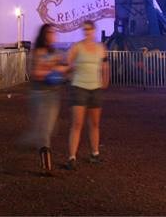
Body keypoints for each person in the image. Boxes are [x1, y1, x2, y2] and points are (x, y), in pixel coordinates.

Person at [23, 24, 68, 175]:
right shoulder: (38, 52)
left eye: (54, 32)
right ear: (44, 34)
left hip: (53, 95)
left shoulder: (55, 52)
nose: (53, 35)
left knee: (49, 129)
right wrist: (54, 71)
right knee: (45, 131)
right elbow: (36, 73)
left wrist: (59, 70)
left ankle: (31, 139)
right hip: (40, 95)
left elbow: (64, 68)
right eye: (50, 32)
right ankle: (46, 167)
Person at [64, 20, 109, 169]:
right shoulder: (77, 47)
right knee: (77, 123)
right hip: (79, 88)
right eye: (85, 29)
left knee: (95, 124)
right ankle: (71, 157)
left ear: (94, 30)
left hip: (95, 88)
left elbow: (105, 65)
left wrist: (105, 80)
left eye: (89, 29)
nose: (87, 32)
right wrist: (71, 78)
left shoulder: (100, 48)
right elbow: (68, 65)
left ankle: (95, 154)